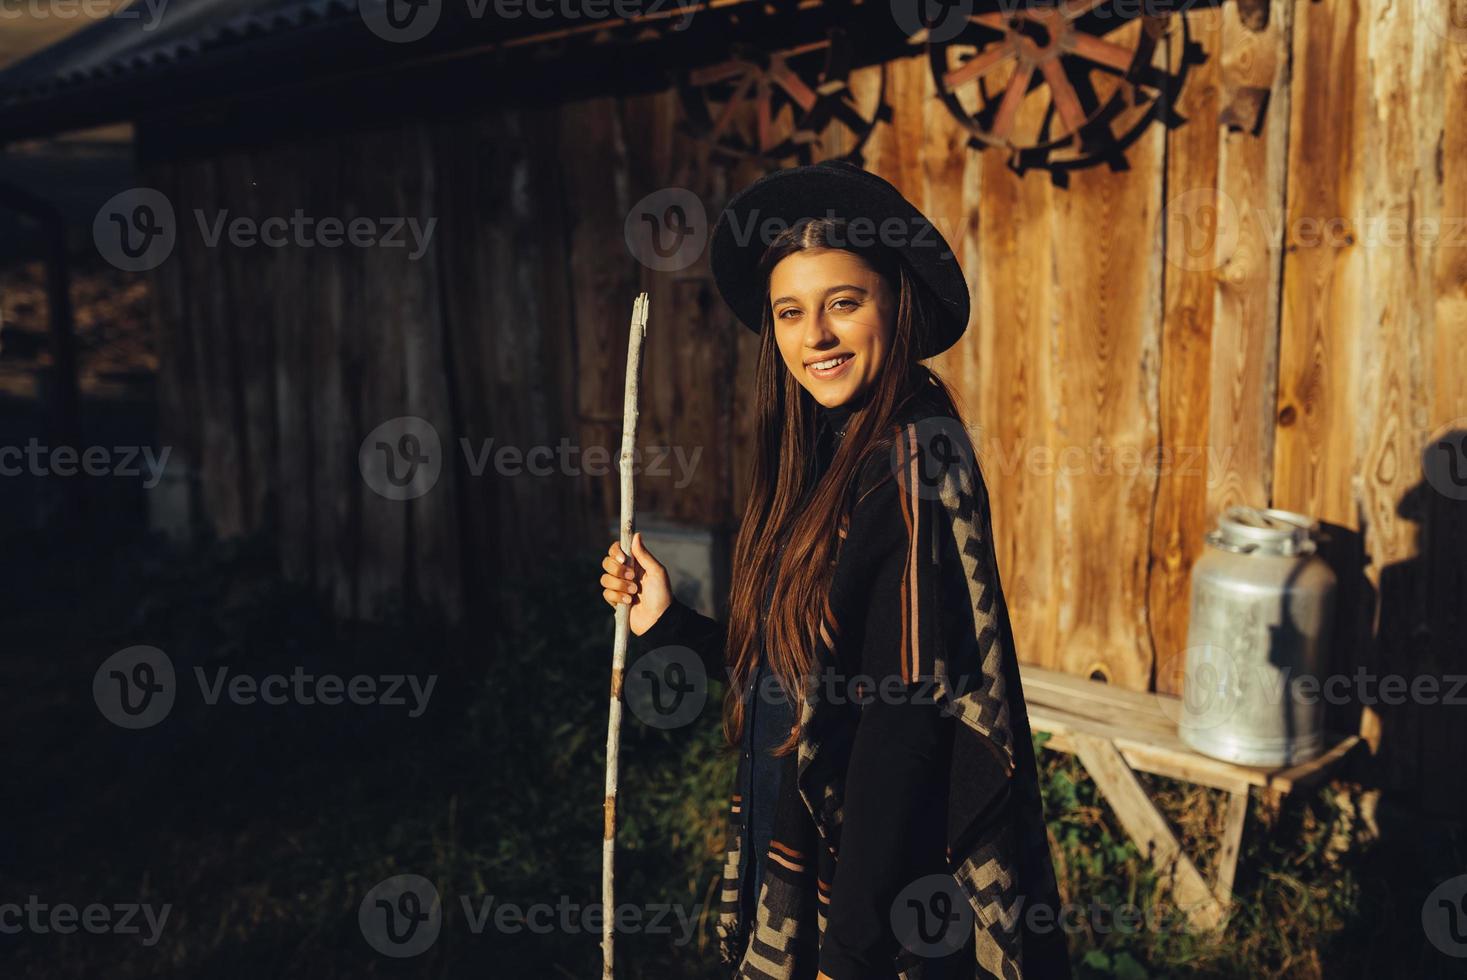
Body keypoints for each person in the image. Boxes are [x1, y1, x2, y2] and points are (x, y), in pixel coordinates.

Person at [598, 160, 1070, 979]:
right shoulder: (826, 455)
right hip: (818, 866)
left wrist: (848, 957)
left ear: (895, 303)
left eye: (842, 304)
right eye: (790, 312)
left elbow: (902, 733)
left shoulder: (914, 460)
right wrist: (670, 626)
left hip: (878, 902)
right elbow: (814, 678)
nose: (812, 337)